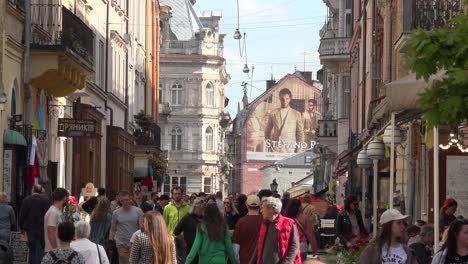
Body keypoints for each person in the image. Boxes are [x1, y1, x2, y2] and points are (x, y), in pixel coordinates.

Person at [251, 196, 301, 264]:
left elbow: (294, 246)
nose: (261, 210)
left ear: (271, 209)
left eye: (263, 208)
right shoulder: (265, 224)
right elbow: (258, 247)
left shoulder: (289, 223)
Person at [264, 88, 304, 153]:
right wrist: (270, 145)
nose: (284, 101)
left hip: (290, 150)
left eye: (287, 99)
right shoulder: (273, 113)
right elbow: (267, 131)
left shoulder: (296, 114)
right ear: (279, 98)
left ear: (290, 99)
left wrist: (299, 151)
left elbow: (300, 134)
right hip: (276, 150)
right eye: (282, 99)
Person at [109, 190, 144, 264]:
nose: (125, 202)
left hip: (135, 242)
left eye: (127, 200)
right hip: (121, 243)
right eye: (122, 201)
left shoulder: (138, 211)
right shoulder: (116, 213)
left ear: (130, 199)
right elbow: (113, 229)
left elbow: (142, 227)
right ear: (120, 201)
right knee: (125, 261)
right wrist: (111, 242)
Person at [19, 184, 50, 264]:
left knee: (32, 249)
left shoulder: (27, 200)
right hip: (42, 229)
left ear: (33, 190)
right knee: (42, 249)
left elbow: (22, 215)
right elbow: (48, 215)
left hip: (30, 229)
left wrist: (21, 227)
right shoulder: (45, 200)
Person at [232, 195, 264, 264]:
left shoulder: (241, 222)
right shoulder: (265, 221)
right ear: (260, 205)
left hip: (244, 260)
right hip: (260, 260)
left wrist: (237, 261)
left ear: (247, 205)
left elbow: (235, 247)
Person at [173, 197, 206, 264]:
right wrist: (183, 241)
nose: (202, 211)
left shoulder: (203, 218)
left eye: (203, 209)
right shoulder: (187, 218)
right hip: (189, 248)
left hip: (201, 248)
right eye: (201, 209)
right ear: (195, 207)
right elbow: (176, 231)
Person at [44, 188, 69, 252]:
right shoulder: (53, 212)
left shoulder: (56, 211)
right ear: (64, 198)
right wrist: (56, 250)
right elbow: (51, 232)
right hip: (53, 251)